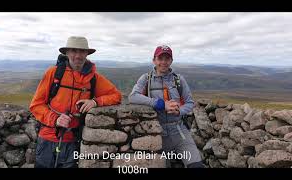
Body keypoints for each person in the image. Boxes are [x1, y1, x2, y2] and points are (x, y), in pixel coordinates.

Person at [29, 36, 122, 168]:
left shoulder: (93, 78)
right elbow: (36, 105)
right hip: (47, 138)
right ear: (66, 53)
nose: (78, 55)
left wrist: (95, 102)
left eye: (82, 51)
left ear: (87, 54)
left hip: (74, 140)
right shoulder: (54, 73)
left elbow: (116, 95)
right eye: (74, 51)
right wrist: (55, 119)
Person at [128, 45, 205, 168]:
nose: (163, 62)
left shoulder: (179, 80)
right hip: (157, 134)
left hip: (180, 132)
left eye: (167, 59)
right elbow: (133, 97)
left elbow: (190, 102)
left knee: (196, 166)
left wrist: (179, 110)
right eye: (160, 58)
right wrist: (161, 104)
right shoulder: (146, 78)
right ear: (154, 60)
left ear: (171, 61)